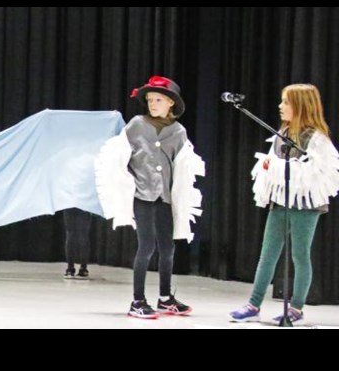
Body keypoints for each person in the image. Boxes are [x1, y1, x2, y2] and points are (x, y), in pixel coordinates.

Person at [95, 76, 205, 319]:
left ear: (171, 104)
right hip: (142, 195)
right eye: (149, 100)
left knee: (167, 247)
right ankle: (138, 300)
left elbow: (182, 166)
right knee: (146, 246)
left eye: (158, 100)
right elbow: (118, 155)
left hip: (164, 197)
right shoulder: (136, 124)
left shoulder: (178, 132)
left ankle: (165, 298)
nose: (152, 104)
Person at [230, 84, 339, 324]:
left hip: (305, 207)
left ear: (301, 106)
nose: (280, 107)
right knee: (267, 254)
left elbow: (322, 171)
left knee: (300, 255)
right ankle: (253, 304)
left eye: (286, 102)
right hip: (280, 203)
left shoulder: (316, 138)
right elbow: (270, 162)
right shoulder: (283, 133)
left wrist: (280, 168)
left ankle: (296, 308)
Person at [62, 208, 94, 279]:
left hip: (70, 203)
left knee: (71, 234)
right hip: (84, 204)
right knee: (82, 234)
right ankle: (83, 269)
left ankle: (70, 269)